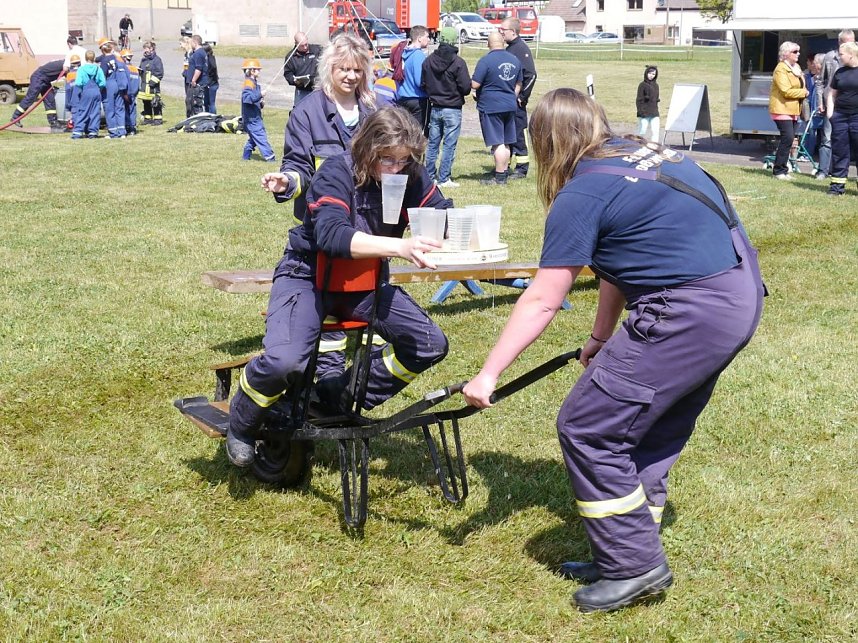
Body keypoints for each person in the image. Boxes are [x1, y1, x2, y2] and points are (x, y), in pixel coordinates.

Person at [462, 87, 765, 613]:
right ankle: (626, 549)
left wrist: (487, 374)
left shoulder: (582, 195)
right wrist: (601, 338)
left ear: (544, 143)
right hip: (736, 295)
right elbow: (621, 261)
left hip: (690, 310)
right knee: (646, 423)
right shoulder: (639, 152)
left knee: (588, 426)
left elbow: (542, 299)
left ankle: (635, 568)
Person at [227, 107, 453, 467]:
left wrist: (454, 227)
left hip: (365, 283)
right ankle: (242, 421)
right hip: (307, 275)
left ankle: (336, 397)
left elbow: (441, 211)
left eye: (403, 161)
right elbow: (332, 235)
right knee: (286, 361)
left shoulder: (409, 173)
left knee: (428, 345)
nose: (396, 169)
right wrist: (400, 247)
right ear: (366, 148)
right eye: (387, 160)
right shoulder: (336, 171)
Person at [261, 33, 376, 385]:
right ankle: (325, 376)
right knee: (323, 300)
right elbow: (299, 166)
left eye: (357, 70)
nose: (351, 76)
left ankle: (347, 377)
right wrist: (287, 182)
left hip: (367, 228)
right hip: (321, 230)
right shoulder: (307, 112)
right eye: (344, 69)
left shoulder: (376, 110)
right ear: (329, 68)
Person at [422, 27, 471, 188]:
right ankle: (444, 178)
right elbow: (466, 88)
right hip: (453, 108)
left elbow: (423, 84)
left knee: (433, 144)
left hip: (435, 107)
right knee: (449, 144)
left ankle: (429, 176)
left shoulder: (428, 60)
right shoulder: (458, 62)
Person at [472, 32, 522, 185]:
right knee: (506, 142)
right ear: (503, 42)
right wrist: (510, 97)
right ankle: (504, 172)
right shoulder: (515, 60)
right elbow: (518, 84)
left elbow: (475, 84)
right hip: (509, 105)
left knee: (497, 142)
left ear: (488, 44)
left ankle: (499, 177)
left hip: (491, 106)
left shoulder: (485, 61)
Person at [500, 17, 537, 179]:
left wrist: (522, 97)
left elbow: (531, 75)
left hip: (516, 103)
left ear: (513, 32)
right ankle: (504, 166)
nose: (500, 32)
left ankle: (522, 168)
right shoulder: (509, 49)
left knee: (518, 135)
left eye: (503, 30)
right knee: (506, 134)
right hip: (506, 102)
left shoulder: (521, 49)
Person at [818, 29, 856, 179]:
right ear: (839, 42)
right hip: (834, 107)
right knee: (828, 139)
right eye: (847, 41)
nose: (850, 44)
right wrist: (822, 103)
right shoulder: (830, 57)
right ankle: (823, 171)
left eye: (852, 41)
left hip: (853, 110)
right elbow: (822, 82)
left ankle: (839, 173)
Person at [768, 41, 808, 180]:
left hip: (793, 110)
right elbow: (785, 91)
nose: (798, 54)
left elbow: (801, 84)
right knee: (787, 138)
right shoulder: (780, 69)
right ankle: (778, 170)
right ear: (786, 54)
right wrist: (803, 93)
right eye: (795, 52)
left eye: (798, 51)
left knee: (790, 140)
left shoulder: (796, 67)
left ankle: (783, 169)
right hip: (781, 109)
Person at [825, 41, 858, 196]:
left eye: (841, 54)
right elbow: (832, 94)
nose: (839, 56)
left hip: (856, 118)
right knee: (839, 151)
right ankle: (837, 187)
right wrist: (831, 114)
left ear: (851, 54)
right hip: (840, 118)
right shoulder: (840, 72)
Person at [8, 59, 64, 129]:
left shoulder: (67, 64)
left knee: (50, 100)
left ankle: (53, 122)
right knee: (30, 98)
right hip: (38, 77)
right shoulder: (66, 65)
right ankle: (15, 117)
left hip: (46, 80)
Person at [397, 25, 431, 134]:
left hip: (403, 97)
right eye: (427, 36)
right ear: (419, 38)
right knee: (418, 133)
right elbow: (419, 80)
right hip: (417, 99)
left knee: (406, 132)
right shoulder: (418, 55)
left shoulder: (403, 53)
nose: (429, 39)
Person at [240, 58, 276, 162]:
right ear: (252, 71)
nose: (259, 71)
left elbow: (252, 102)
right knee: (261, 137)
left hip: (254, 117)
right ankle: (270, 158)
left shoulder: (253, 83)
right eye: (257, 69)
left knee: (253, 138)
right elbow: (247, 99)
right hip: (252, 119)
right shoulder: (248, 84)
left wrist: (260, 104)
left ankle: (246, 156)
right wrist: (260, 94)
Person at [96, 37, 130, 138]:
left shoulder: (104, 61)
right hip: (118, 84)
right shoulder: (117, 58)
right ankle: (122, 132)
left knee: (109, 109)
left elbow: (102, 76)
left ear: (102, 49)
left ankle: (113, 133)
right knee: (119, 108)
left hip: (109, 85)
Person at [72, 50, 105, 139]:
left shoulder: (81, 69)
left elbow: (78, 83)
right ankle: (93, 132)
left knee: (83, 111)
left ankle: (77, 132)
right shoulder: (98, 68)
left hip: (86, 91)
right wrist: (98, 89)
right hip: (96, 91)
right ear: (94, 58)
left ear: (85, 58)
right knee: (95, 112)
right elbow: (103, 83)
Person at [284, 31, 322, 107]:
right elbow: (288, 74)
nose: (305, 47)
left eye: (306, 44)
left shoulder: (317, 50)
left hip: (317, 89)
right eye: (302, 46)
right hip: (301, 91)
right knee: (300, 112)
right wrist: (294, 81)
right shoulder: (291, 57)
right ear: (296, 44)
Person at [138, 41, 164, 126]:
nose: (144, 50)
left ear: (151, 49)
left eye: (146, 48)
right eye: (144, 48)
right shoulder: (144, 60)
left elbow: (159, 73)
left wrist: (152, 82)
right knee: (146, 102)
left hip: (153, 87)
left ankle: (158, 119)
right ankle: (147, 119)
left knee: (155, 102)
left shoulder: (157, 60)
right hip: (144, 86)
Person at [635, 65, 660, 143]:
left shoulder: (656, 85)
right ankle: (636, 145)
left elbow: (656, 99)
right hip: (644, 113)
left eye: (653, 74)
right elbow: (639, 100)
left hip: (654, 112)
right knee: (642, 130)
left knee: (655, 131)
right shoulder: (642, 85)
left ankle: (655, 146)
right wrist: (641, 112)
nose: (651, 75)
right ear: (646, 73)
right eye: (650, 73)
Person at [186, 35, 209, 116]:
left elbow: (198, 69)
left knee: (197, 104)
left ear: (195, 42)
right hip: (198, 82)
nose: (190, 44)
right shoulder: (200, 52)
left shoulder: (198, 53)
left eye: (191, 42)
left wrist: (193, 80)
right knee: (192, 103)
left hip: (198, 83)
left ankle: (199, 121)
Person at [121, 49, 140, 135]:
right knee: (132, 110)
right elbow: (137, 83)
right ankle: (132, 127)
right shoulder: (135, 69)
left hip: (126, 93)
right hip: (133, 93)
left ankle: (127, 126)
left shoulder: (124, 68)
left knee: (125, 110)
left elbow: (123, 81)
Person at [203, 43, 219, 113]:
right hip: (212, 83)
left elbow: (212, 69)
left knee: (211, 103)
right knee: (207, 103)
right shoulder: (211, 57)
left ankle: (212, 116)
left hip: (211, 84)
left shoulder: (209, 59)